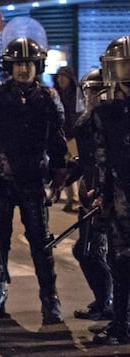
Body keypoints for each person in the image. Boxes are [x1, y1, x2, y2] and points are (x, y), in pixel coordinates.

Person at [0, 37, 68, 325]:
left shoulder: (48, 98)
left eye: (28, 63)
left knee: (41, 242)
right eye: (18, 64)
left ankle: (50, 299)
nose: (23, 69)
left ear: (37, 66)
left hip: (33, 181)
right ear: (9, 67)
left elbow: (57, 140)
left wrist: (60, 172)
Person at [91, 36, 130, 345]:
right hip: (119, 194)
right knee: (120, 260)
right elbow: (102, 155)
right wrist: (102, 193)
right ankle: (120, 322)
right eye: (123, 65)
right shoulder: (106, 109)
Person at [69, 68, 113, 322]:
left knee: (97, 252)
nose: (94, 97)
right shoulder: (84, 123)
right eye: (90, 91)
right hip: (90, 198)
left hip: (107, 197)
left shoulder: (114, 120)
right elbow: (85, 160)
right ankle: (104, 300)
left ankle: (111, 304)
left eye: (99, 91)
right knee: (85, 251)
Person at [54, 65, 81, 212]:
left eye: (64, 76)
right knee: (66, 168)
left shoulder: (76, 94)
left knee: (77, 165)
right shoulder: (56, 94)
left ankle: (77, 199)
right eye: (59, 76)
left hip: (74, 136)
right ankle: (72, 199)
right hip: (62, 136)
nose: (61, 79)